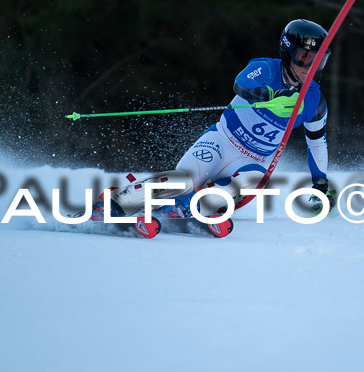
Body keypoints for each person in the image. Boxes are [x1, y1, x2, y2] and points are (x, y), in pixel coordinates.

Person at [99, 19, 336, 224]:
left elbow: (316, 143)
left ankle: (187, 208)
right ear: (287, 53)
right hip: (221, 141)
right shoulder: (266, 69)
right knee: (185, 180)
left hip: (253, 160)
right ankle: (118, 203)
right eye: (305, 58)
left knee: (251, 181)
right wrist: (269, 97)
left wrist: (320, 184)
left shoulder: (315, 102)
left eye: (319, 61)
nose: (310, 68)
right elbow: (241, 83)